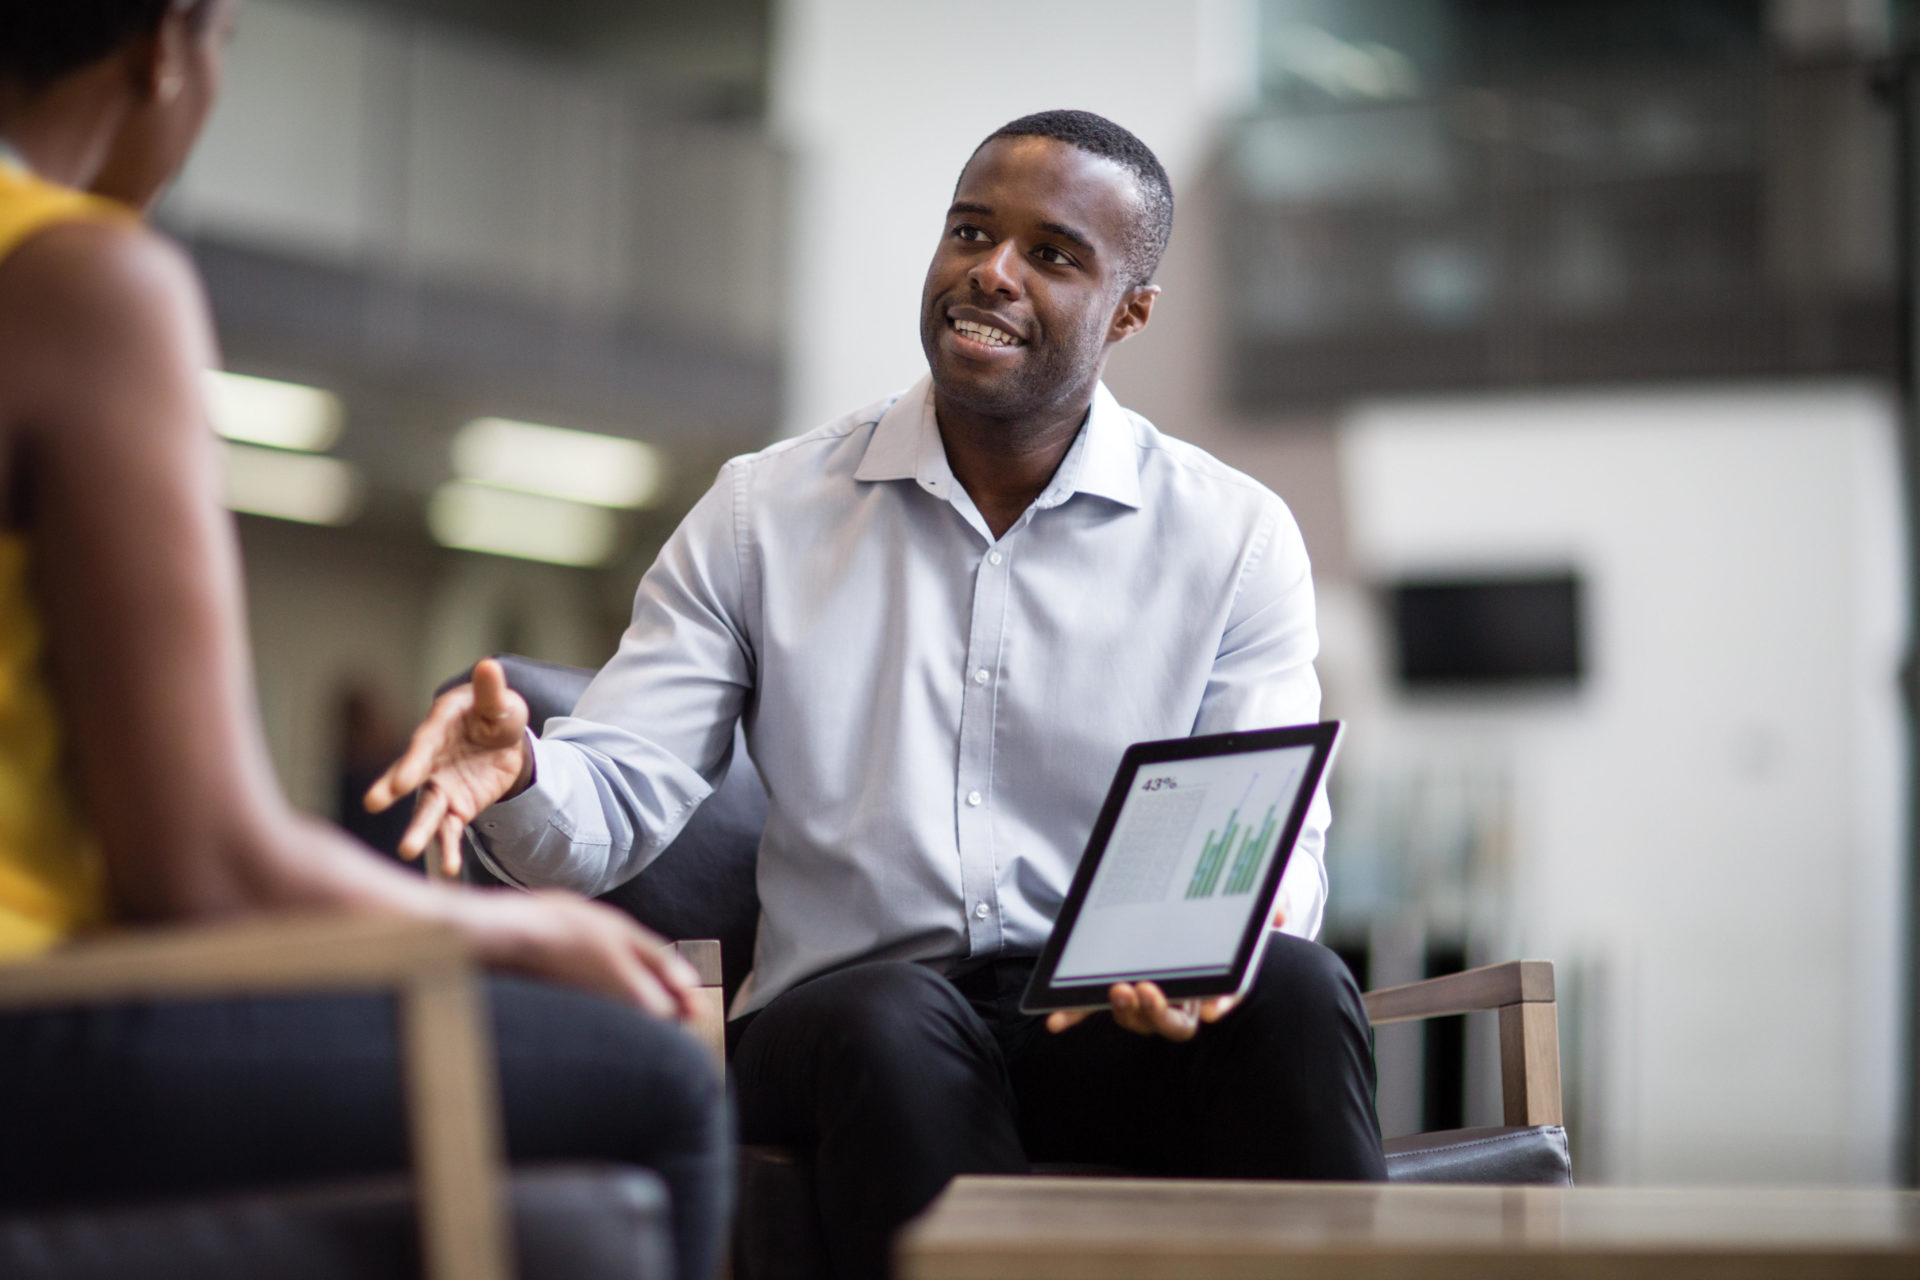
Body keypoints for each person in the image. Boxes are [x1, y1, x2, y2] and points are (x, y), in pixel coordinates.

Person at [375, 109, 1384, 1280]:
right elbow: (620, 797)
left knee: (1299, 984)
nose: (990, 273)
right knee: (894, 1019)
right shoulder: (766, 510)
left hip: (1105, 1023)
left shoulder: (1233, 535)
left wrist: (1217, 956)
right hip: (844, 1022)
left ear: (1131, 311)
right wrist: (529, 770)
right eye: (970, 231)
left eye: (1052, 253)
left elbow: (1266, 833)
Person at [0, 5, 728, 1277]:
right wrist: (527, 934)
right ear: (167, 43)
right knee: (660, 1071)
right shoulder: (84, 278)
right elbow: (204, 868)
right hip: (33, 1019)